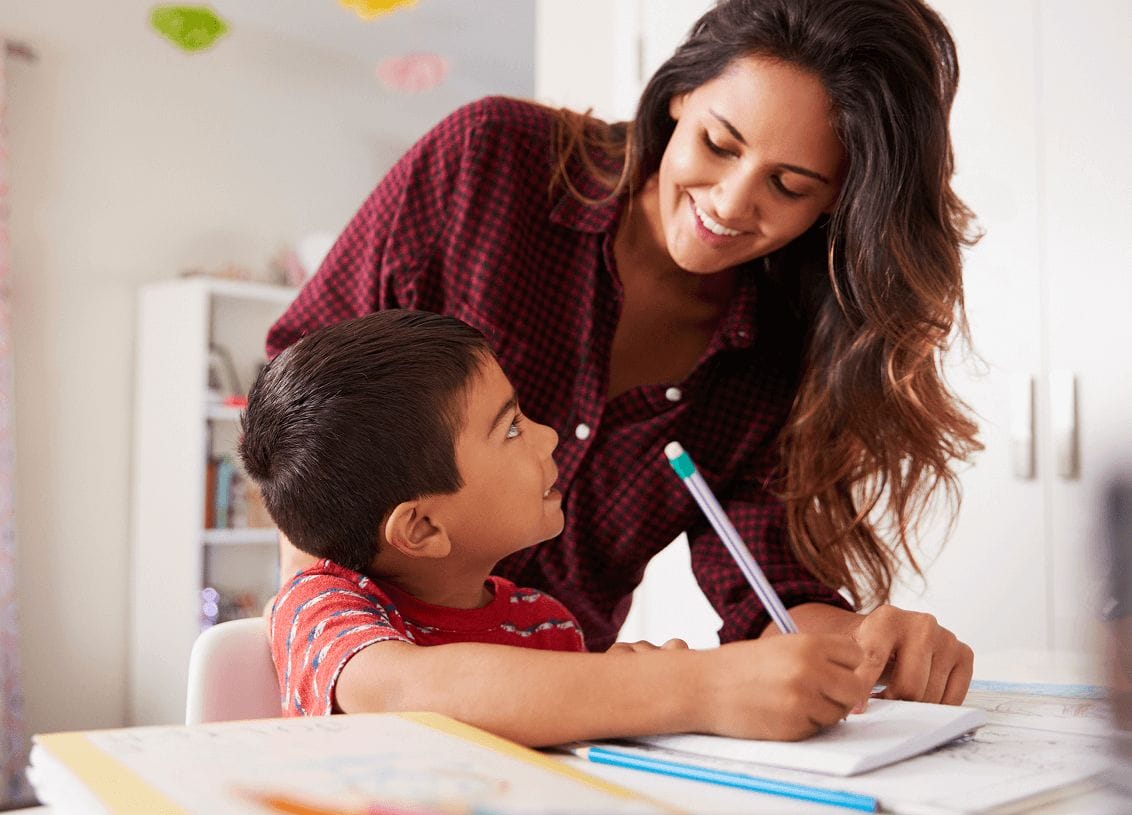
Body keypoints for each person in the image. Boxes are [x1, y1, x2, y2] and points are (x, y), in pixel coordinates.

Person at [266, 0, 979, 705]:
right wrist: (324, 627)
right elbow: (305, 404)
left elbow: (766, 586)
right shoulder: (489, 162)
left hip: (566, 710)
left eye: (789, 185)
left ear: (839, 201)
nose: (730, 204)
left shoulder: (784, 345)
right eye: (719, 144)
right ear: (677, 96)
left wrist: (857, 647)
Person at [241, 309, 870, 745]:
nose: (546, 436)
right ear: (424, 526)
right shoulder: (322, 606)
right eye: (510, 428)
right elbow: (405, 688)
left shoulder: (543, 624)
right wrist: (690, 687)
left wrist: (623, 695)